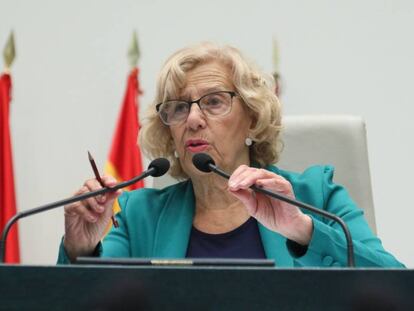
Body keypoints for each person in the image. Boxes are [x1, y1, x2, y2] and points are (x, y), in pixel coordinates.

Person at [58, 42, 403, 267]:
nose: (192, 119)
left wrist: (302, 229)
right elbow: (87, 301)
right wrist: (81, 251)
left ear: (252, 120)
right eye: (178, 108)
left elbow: (395, 289)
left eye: (213, 102)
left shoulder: (317, 196)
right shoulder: (139, 216)